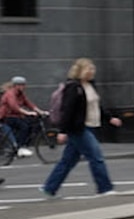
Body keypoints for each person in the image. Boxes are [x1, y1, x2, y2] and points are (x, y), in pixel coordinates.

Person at [41, 58, 122, 197]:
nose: (92, 71)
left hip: (91, 126)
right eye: (89, 69)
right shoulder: (73, 87)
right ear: (80, 71)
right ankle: (105, 188)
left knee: (68, 161)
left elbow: (97, 106)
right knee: (96, 157)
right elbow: (68, 110)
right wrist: (63, 131)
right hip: (79, 128)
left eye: (93, 69)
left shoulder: (91, 85)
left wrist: (109, 118)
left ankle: (49, 188)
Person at [0, 76, 45, 157]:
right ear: (15, 86)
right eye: (21, 85)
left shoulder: (21, 94)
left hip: (15, 116)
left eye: (24, 85)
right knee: (23, 127)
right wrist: (27, 113)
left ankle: (19, 146)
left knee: (27, 126)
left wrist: (40, 111)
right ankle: (18, 147)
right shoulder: (10, 94)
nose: (23, 87)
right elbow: (14, 106)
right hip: (6, 117)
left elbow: (29, 103)